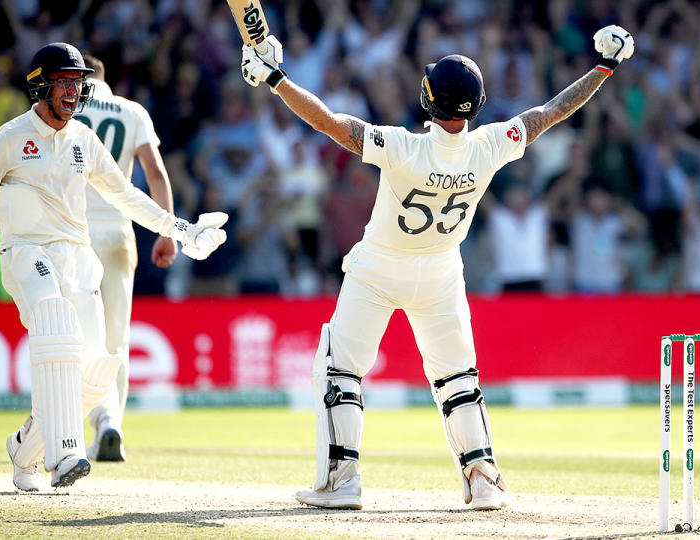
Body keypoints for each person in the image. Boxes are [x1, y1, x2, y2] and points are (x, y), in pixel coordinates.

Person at [240, 26, 634, 510]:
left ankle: (343, 481)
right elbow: (552, 112)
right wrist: (606, 66)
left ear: (428, 99)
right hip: (442, 271)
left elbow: (329, 124)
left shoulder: (403, 147)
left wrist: (276, 78)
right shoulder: (490, 145)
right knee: (458, 379)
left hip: (379, 267)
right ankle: (483, 478)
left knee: (341, 370)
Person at [0, 42, 227, 491]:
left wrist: (182, 230)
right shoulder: (10, 137)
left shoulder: (84, 137)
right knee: (56, 326)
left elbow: (126, 195)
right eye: (63, 82)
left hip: (78, 257)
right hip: (27, 252)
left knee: (98, 372)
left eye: (78, 83)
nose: (73, 92)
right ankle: (66, 454)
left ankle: (25, 449)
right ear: (40, 85)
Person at [76, 52, 178, 463]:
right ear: (105, 79)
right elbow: (154, 172)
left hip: (72, 231)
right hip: (118, 231)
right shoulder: (130, 110)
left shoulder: (66, 106)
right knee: (116, 334)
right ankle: (111, 422)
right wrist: (166, 230)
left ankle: (74, 426)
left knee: (76, 332)